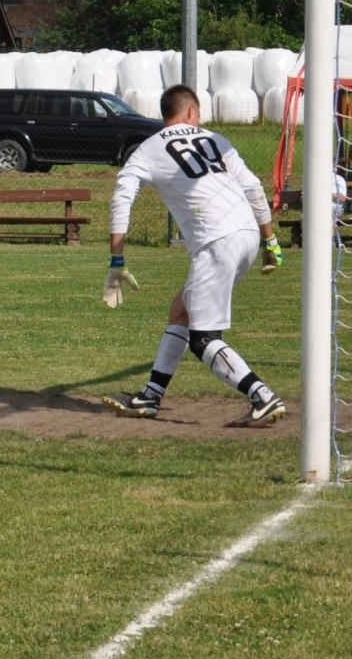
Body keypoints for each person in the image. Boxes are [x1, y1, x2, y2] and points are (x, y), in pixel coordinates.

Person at [100, 84, 286, 427]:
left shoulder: (147, 150)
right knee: (180, 310)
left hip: (216, 242)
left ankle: (262, 396)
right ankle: (151, 395)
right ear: (190, 113)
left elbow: (121, 199)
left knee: (203, 340)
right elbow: (254, 188)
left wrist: (117, 260)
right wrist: (270, 242)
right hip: (246, 233)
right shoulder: (215, 139)